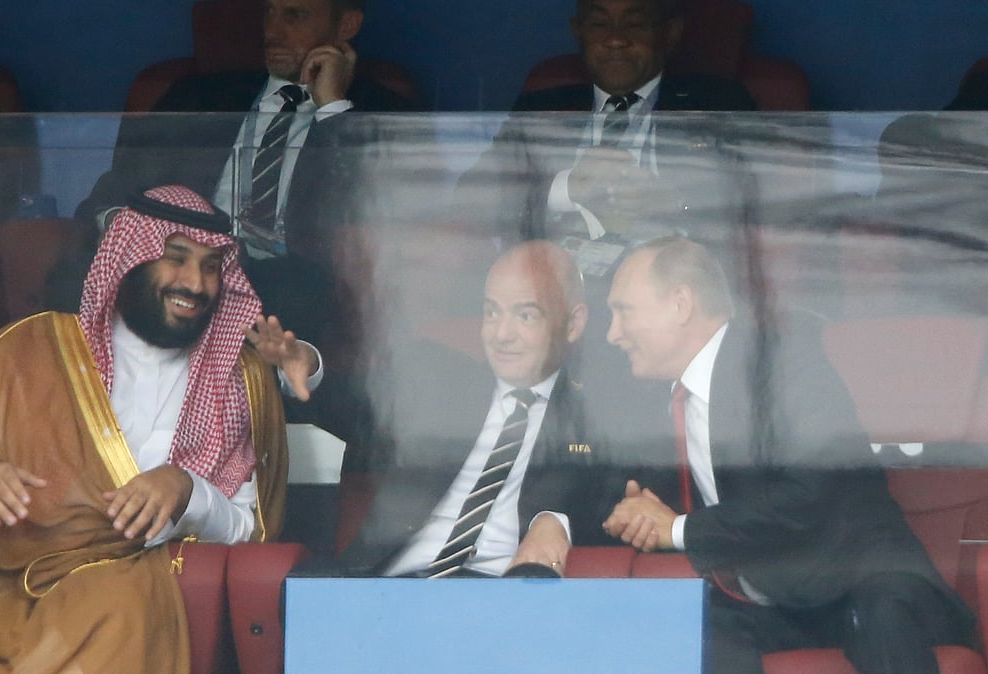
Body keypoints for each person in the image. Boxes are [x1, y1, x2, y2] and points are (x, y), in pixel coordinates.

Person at [0, 185, 322, 672]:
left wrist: (186, 489)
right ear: (130, 257)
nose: (195, 283)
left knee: (113, 608)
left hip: (108, 582)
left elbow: (250, 527)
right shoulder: (35, 346)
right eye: (176, 258)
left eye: (212, 267)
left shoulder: (238, 378)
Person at [600, 236, 975, 674]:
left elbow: (808, 495)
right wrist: (622, 514)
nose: (612, 334)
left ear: (681, 305)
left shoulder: (782, 364)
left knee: (883, 614)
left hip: (855, 581)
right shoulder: (652, 399)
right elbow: (620, 492)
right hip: (761, 600)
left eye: (623, 311)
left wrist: (680, 529)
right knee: (685, 630)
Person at [335, 240, 623, 577]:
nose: (502, 334)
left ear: (573, 324)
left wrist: (553, 521)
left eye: (526, 315)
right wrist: (310, 367)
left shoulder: (592, 414)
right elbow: (352, 403)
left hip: (500, 596)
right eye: (492, 312)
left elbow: (609, 499)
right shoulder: (440, 385)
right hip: (390, 583)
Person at [76, 0, 417, 266]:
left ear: (347, 25)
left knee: (293, 291)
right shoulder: (197, 98)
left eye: (295, 14)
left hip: (295, 277)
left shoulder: (383, 113)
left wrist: (331, 108)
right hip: (184, 265)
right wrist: (134, 234)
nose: (274, 30)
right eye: (270, 12)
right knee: (73, 273)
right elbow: (113, 192)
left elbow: (382, 209)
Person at [457, 0, 753, 276]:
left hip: (673, 286)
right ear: (578, 32)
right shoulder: (542, 109)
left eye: (634, 25)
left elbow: (761, 201)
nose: (615, 39)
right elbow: (473, 196)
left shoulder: (719, 104)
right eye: (599, 25)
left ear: (670, 33)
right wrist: (567, 188)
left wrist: (673, 202)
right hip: (555, 287)